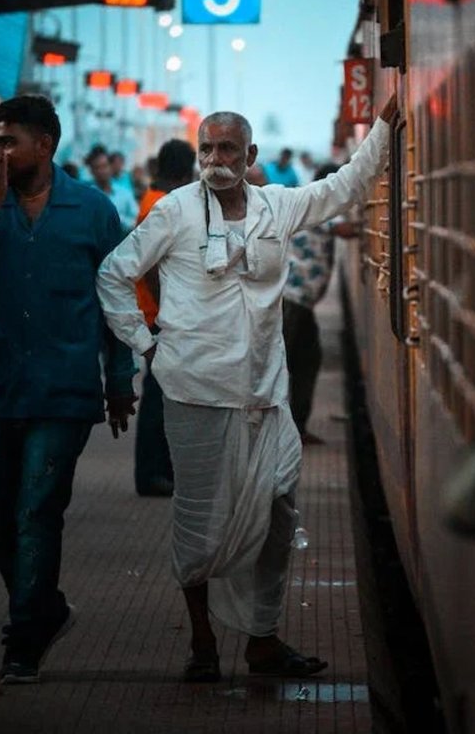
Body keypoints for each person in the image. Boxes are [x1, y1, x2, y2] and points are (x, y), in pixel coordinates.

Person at [96, 97, 396, 682]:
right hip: (194, 391)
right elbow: (114, 273)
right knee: (199, 521)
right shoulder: (175, 212)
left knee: (279, 514)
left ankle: (262, 641)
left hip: (266, 394)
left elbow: (349, 185)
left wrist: (386, 123)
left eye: (228, 148)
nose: (215, 158)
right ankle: (203, 645)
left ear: (251, 155)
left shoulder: (276, 208)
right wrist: (147, 344)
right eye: (207, 148)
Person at [0, 95, 137, 684]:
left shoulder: (93, 211)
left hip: (65, 390)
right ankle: (47, 608)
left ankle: (23, 638)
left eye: (6, 142)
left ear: (44, 146)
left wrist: (120, 378)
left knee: (36, 511)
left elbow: (116, 299)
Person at [135, 139, 196, 497]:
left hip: (156, 315)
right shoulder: (159, 207)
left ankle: (158, 471)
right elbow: (153, 268)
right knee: (159, 399)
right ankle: (152, 474)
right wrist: (171, 313)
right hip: (159, 318)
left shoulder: (153, 201)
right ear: (184, 171)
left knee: (162, 395)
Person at [283, 163, 359, 445]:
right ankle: (277, 433)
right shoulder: (317, 207)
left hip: (299, 302)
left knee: (306, 362)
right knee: (284, 367)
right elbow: (346, 229)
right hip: (292, 301)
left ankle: (295, 429)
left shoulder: (309, 203)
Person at [86, 146, 138, 235]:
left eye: (104, 166)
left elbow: (136, 220)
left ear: (110, 167)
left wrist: (116, 218)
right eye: (97, 167)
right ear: (92, 171)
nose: (101, 171)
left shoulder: (125, 193)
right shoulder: (87, 195)